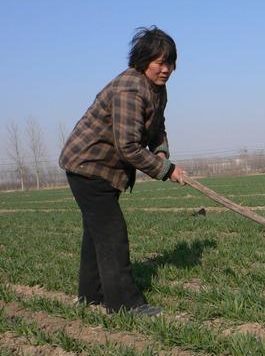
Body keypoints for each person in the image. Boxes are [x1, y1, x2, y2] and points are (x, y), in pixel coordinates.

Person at [59, 26, 186, 316]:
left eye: (171, 63)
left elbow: (156, 126)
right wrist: (167, 170)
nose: (166, 69)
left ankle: (91, 296)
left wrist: (162, 151)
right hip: (88, 165)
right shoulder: (130, 88)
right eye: (160, 63)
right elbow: (128, 146)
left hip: (102, 168)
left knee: (97, 233)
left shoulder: (157, 88)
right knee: (112, 233)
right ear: (144, 62)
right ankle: (125, 304)